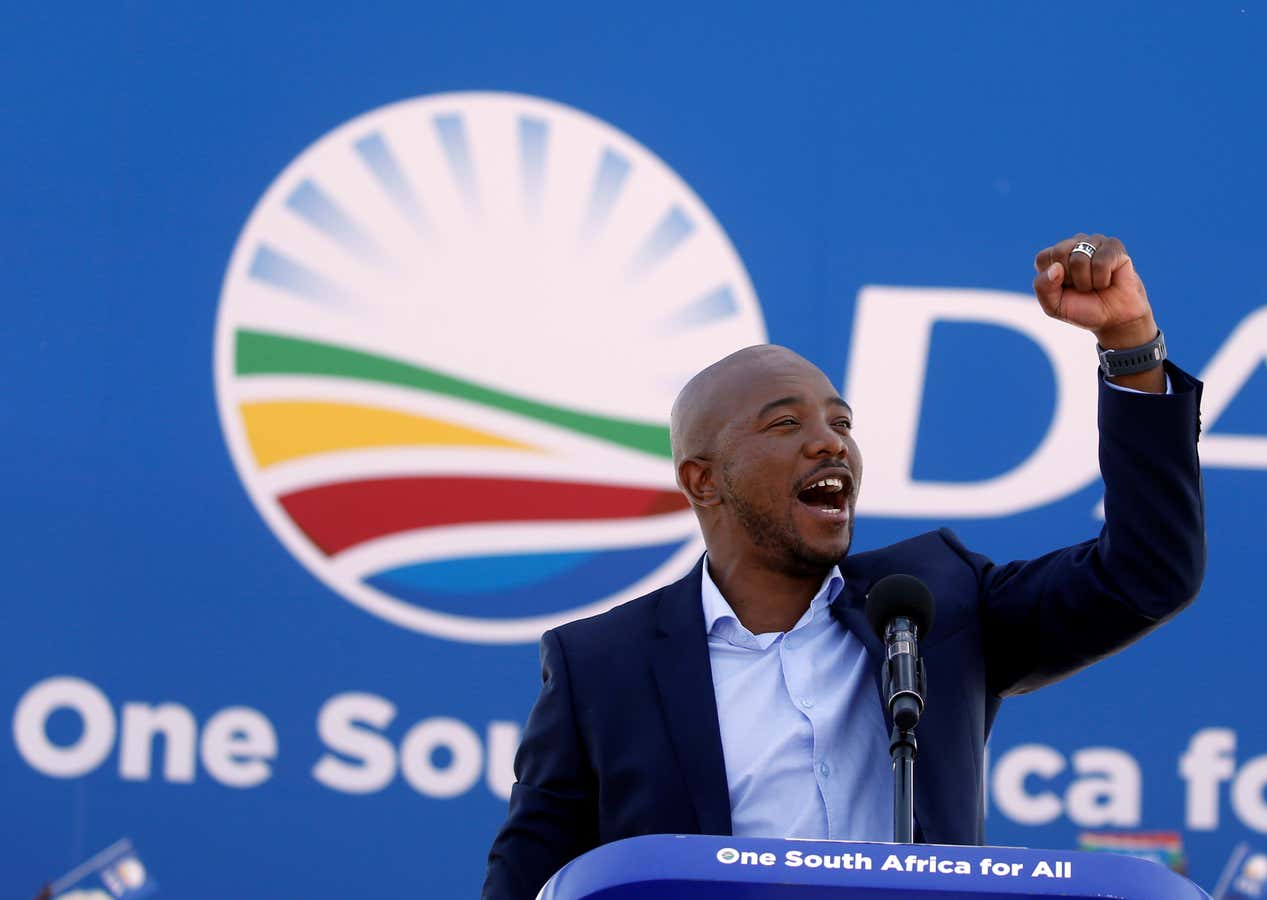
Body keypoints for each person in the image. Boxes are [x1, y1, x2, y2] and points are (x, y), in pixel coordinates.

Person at [482, 233, 1206, 898]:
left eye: (842, 422)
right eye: (786, 424)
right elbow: (527, 884)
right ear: (703, 480)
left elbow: (1147, 572)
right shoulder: (602, 664)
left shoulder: (935, 603)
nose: (830, 444)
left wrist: (1129, 348)